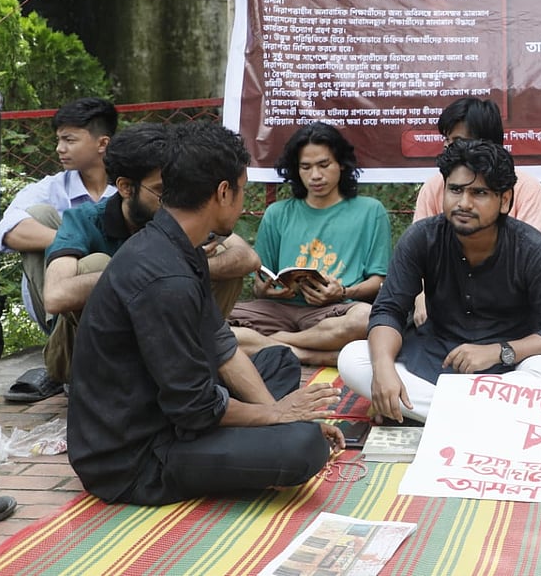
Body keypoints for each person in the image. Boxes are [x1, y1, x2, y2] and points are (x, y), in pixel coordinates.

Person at [67, 121, 343, 506]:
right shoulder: (164, 277)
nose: (244, 203)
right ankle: (256, 444)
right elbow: (195, 407)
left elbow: (222, 348)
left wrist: (281, 413)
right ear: (223, 191)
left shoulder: (181, 245)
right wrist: (279, 418)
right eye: (242, 190)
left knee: (278, 361)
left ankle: (257, 436)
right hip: (135, 459)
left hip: (171, 414)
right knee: (303, 447)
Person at [337, 139, 541, 423]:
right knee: (354, 358)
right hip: (435, 358)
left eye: (479, 193)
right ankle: (490, 420)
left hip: (510, 366)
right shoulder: (421, 238)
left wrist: (499, 352)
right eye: (455, 190)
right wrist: (382, 371)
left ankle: (442, 417)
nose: (463, 203)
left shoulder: (530, 248)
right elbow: (388, 310)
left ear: (504, 201)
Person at [42, 123, 259, 384]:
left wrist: (186, 265)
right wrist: (149, 272)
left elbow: (248, 258)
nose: (171, 200)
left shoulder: (178, 216)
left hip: (161, 346)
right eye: (159, 191)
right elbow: (55, 297)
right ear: (125, 187)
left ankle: (196, 359)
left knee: (222, 255)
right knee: (95, 264)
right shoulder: (85, 219)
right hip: (84, 358)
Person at [229, 123, 391, 367]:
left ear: (342, 164)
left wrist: (344, 292)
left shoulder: (370, 211)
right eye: (305, 167)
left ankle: (279, 343)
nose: (315, 175)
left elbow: (379, 281)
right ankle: (310, 354)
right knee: (210, 323)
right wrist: (265, 290)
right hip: (277, 310)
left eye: (324, 165)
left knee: (367, 319)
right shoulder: (277, 213)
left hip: (334, 311)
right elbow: (261, 281)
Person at [0, 97, 118, 332]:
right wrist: (76, 243)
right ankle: (61, 333)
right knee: (38, 214)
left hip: (118, 301)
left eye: (69, 140)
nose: (60, 148)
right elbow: (8, 230)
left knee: (98, 263)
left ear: (102, 144)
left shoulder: (126, 189)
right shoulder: (53, 188)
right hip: (58, 307)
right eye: (59, 139)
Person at [412, 97, 541, 250]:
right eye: (447, 141)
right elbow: (419, 251)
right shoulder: (433, 187)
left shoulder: (528, 189)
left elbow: (537, 259)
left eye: (458, 141)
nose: (448, 148)